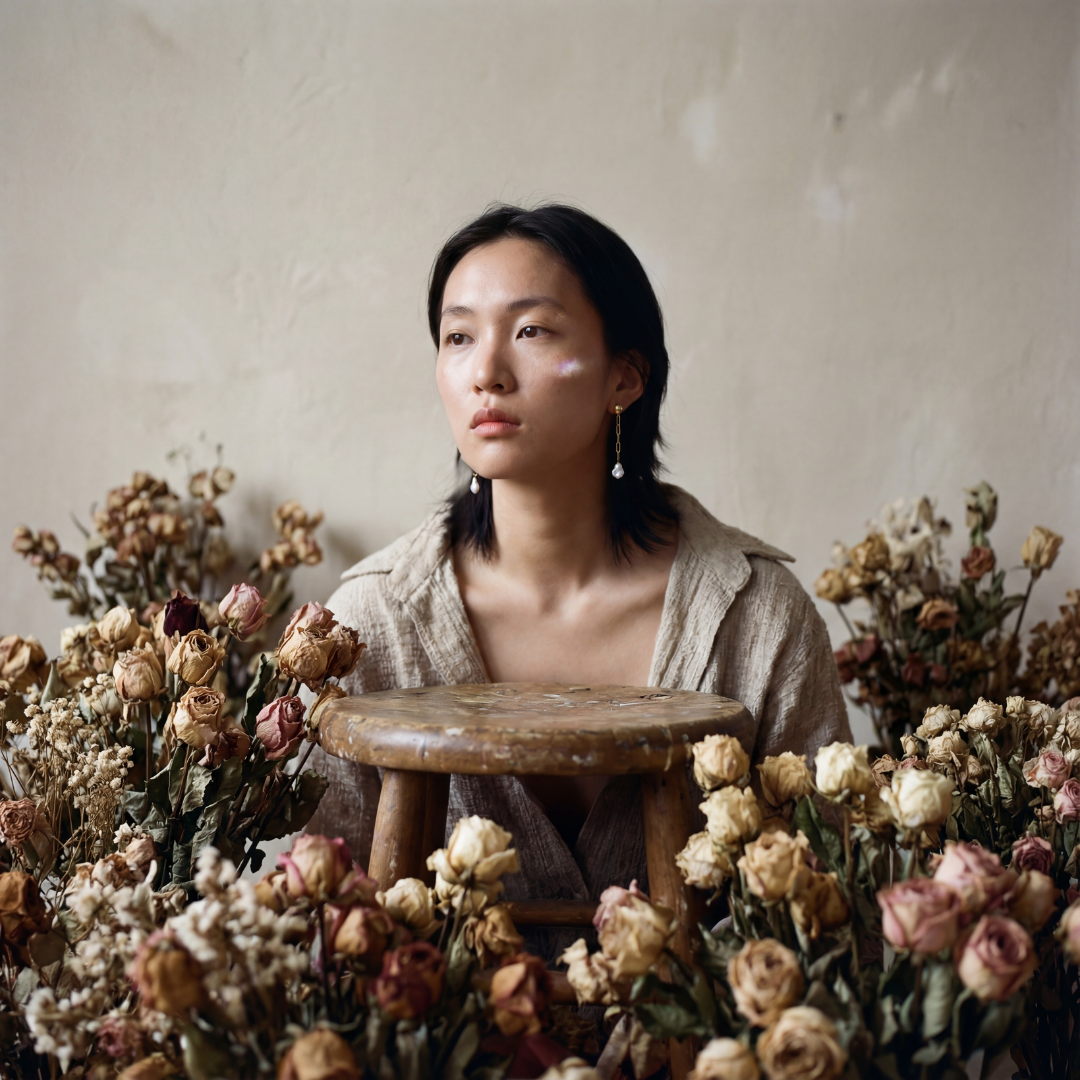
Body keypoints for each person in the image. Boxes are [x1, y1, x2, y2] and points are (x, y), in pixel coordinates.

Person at [307, 203, 849, 943]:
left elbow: (831, 914)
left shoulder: (755, 614)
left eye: (532, 331)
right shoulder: (366, 625)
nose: (486, 374)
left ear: (623, 376)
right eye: (459, 337)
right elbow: (318, 924)